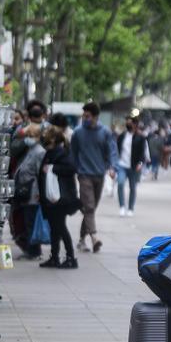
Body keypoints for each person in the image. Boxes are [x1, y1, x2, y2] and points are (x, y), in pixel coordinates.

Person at [71, 102, 118, 253]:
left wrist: (111, 167)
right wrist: (76, 170)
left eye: (88, 116)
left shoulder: (104, 132)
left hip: (99, 174)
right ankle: (94, 238)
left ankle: (81, 240)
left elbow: (111, 150)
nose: (85, 119)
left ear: (96, 117)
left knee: (90, 209)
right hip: (84, 175)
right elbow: (73, 153)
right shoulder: (77, 132)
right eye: (84, 116)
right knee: (89, 207)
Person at [38, 126, 81, 269]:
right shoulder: (53, 152)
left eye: (47, 138)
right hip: (53, 198)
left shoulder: (61, 153)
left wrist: (52, 168)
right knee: (55, 228)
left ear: (54, 140)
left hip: (60, 198)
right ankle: (55, 256)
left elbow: (71, 168)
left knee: (60, 227)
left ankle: (70, 257)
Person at [13, 124, 46, 260]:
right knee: (27, 221)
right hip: (26, 190)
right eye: (27, 136)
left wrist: (40, 193)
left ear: (38, 137)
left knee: (31, 221)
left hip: (33, 192)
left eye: (31, 136)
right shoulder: (31, 149)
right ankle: (31, 249)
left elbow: (40, 174)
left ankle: (34, 251)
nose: (28, 139)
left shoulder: (39, 151)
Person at [116, 113, 149, 216]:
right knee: (120, 183)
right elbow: (116, 149)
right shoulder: (122, 136)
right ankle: (122, 206)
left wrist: (140, 163)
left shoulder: (141, 138)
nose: (128, 124)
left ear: (135, 125)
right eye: (127, 122)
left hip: (134, 166)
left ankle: (130, 208)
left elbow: (143, 152)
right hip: (122, 165)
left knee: (132, 187)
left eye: (130, 122)